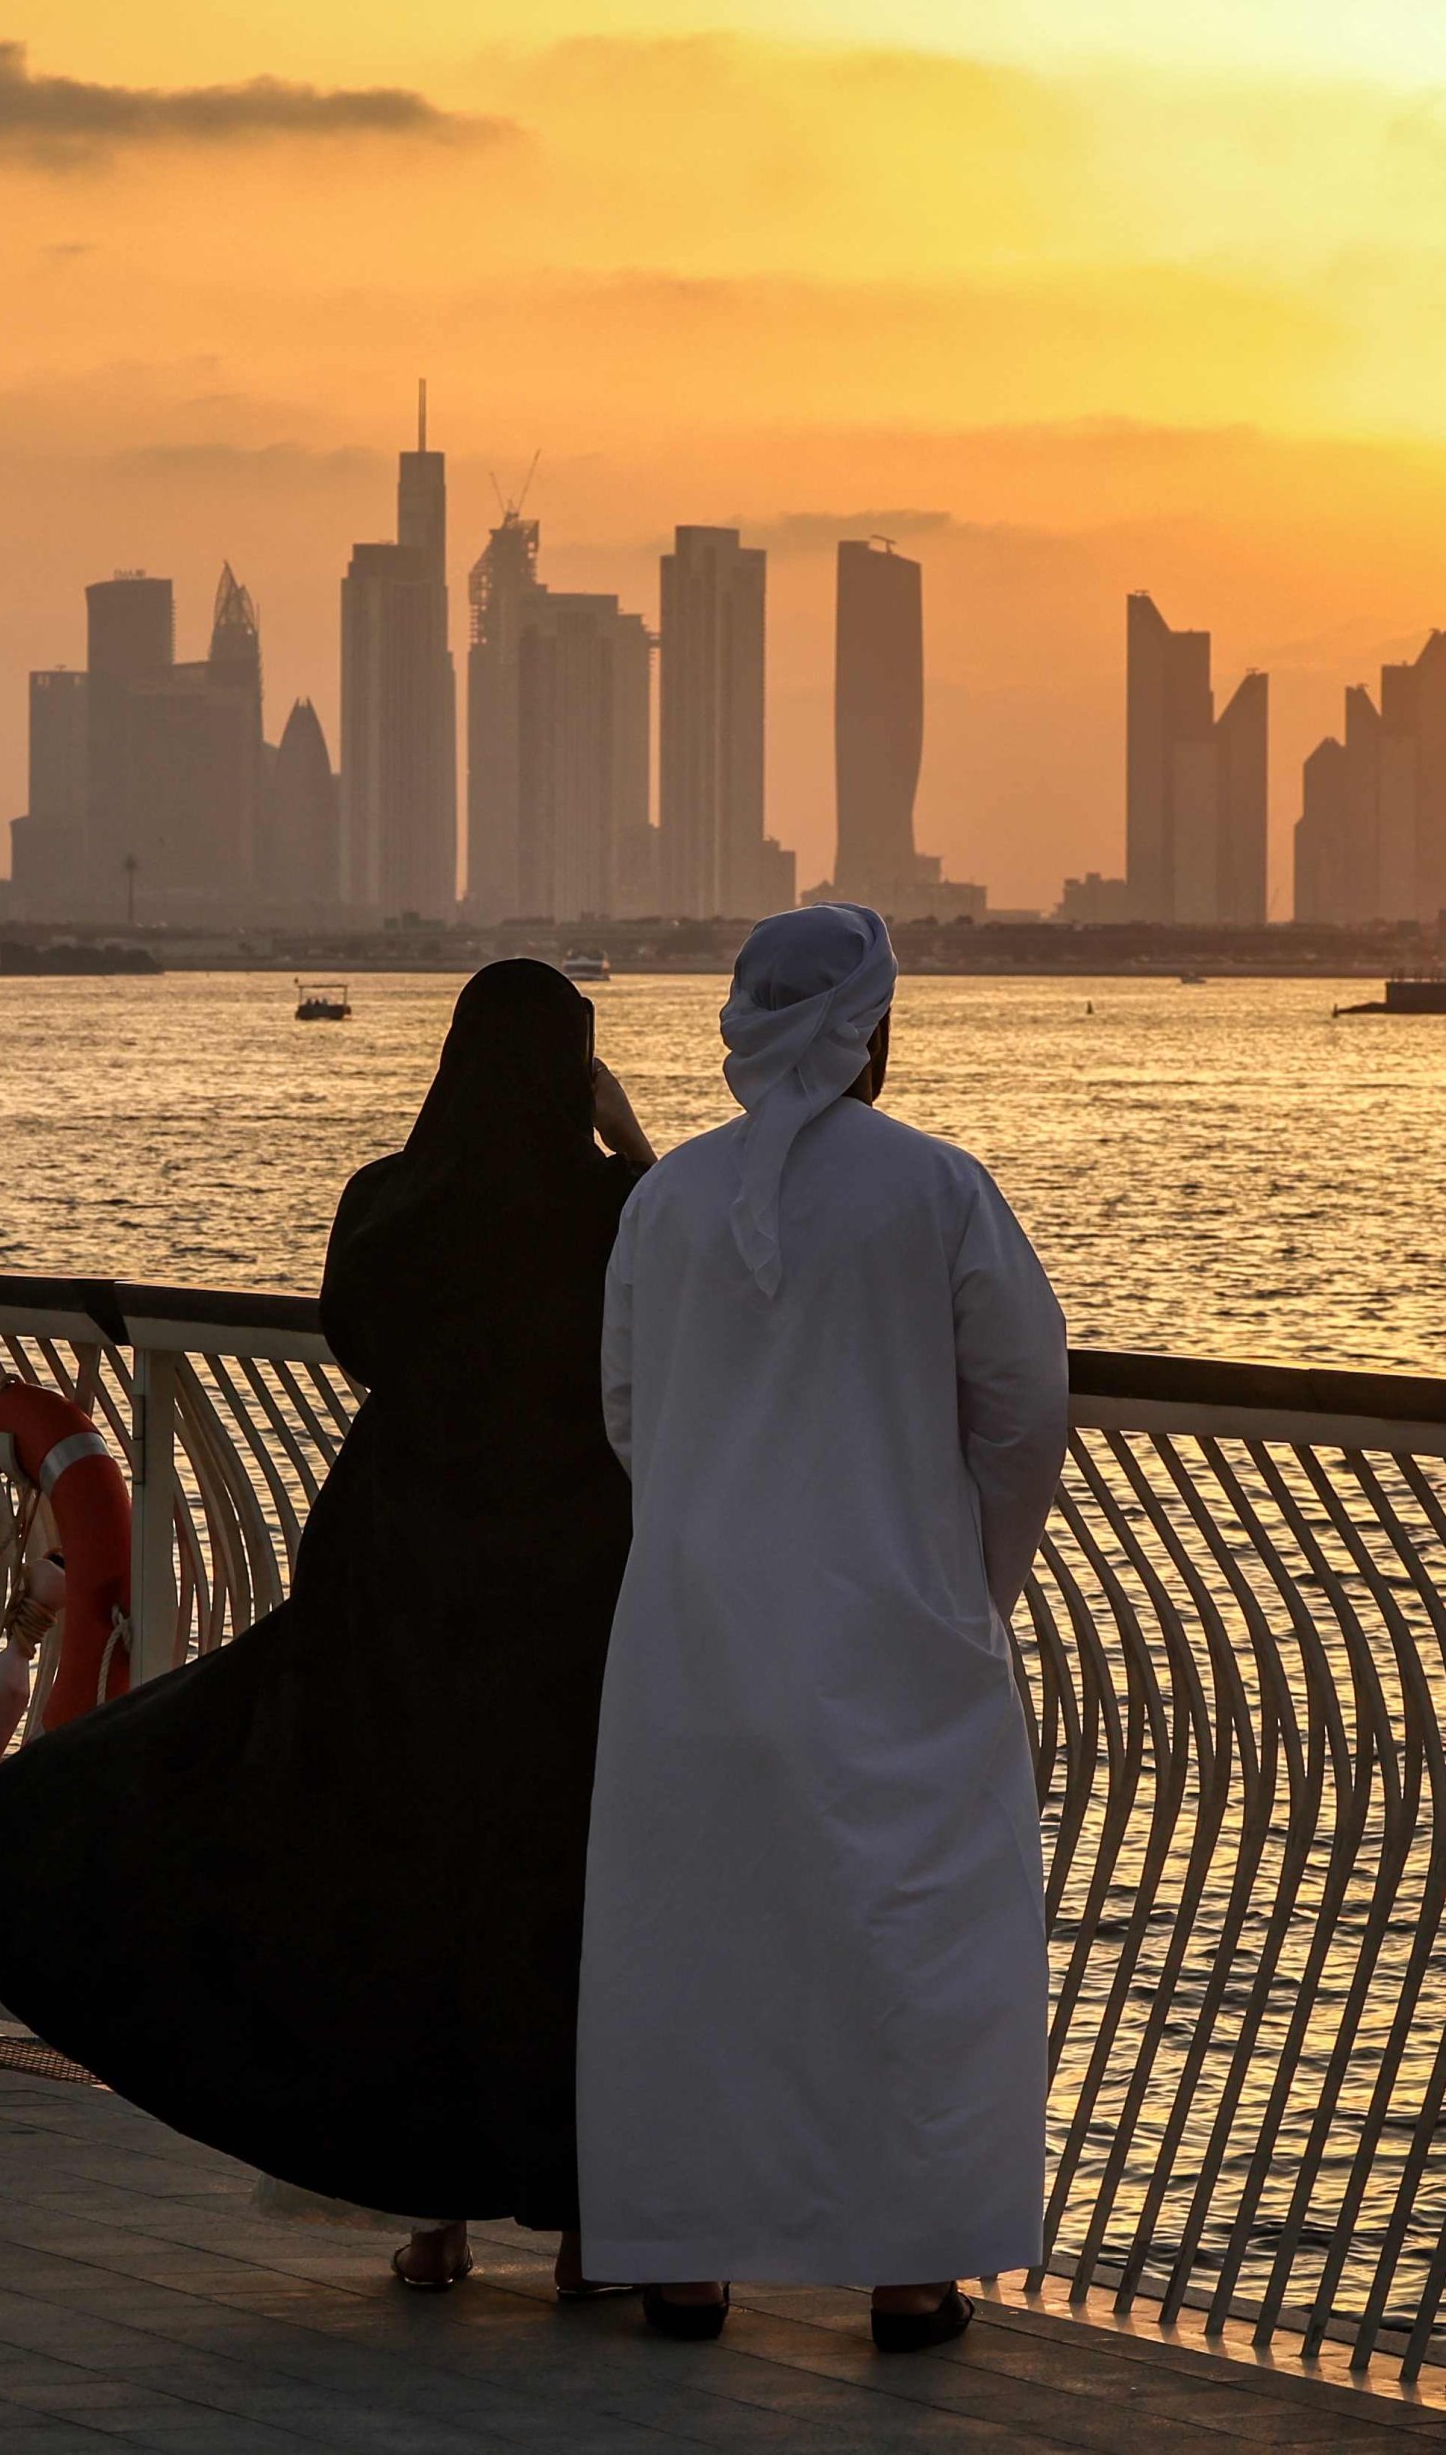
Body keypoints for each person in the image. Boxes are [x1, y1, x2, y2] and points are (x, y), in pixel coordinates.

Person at [0, 959, 657, 2291]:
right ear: (570, 1071)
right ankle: (593, 2221)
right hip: (571, 1596)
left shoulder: (391, 1203)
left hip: (394, 1580)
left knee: (392, 1881)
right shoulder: (620, 1212)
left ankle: (432, 2215)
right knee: (563, 1898)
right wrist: (626, 1134)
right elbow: (680, 1294)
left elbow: (356, 1337)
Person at [574, 904, 1072, 2352]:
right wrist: (971, 1576)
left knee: (698, 1953)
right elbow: (1025, 1404)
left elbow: (625, 1409)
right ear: (874, 1030)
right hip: (897, 1638)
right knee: (910, 1948)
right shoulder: (938, 1190)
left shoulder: (665, 1205)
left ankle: (685, 2262)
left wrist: (701, 1536)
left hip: (689, 1641)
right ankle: (912, 2274)